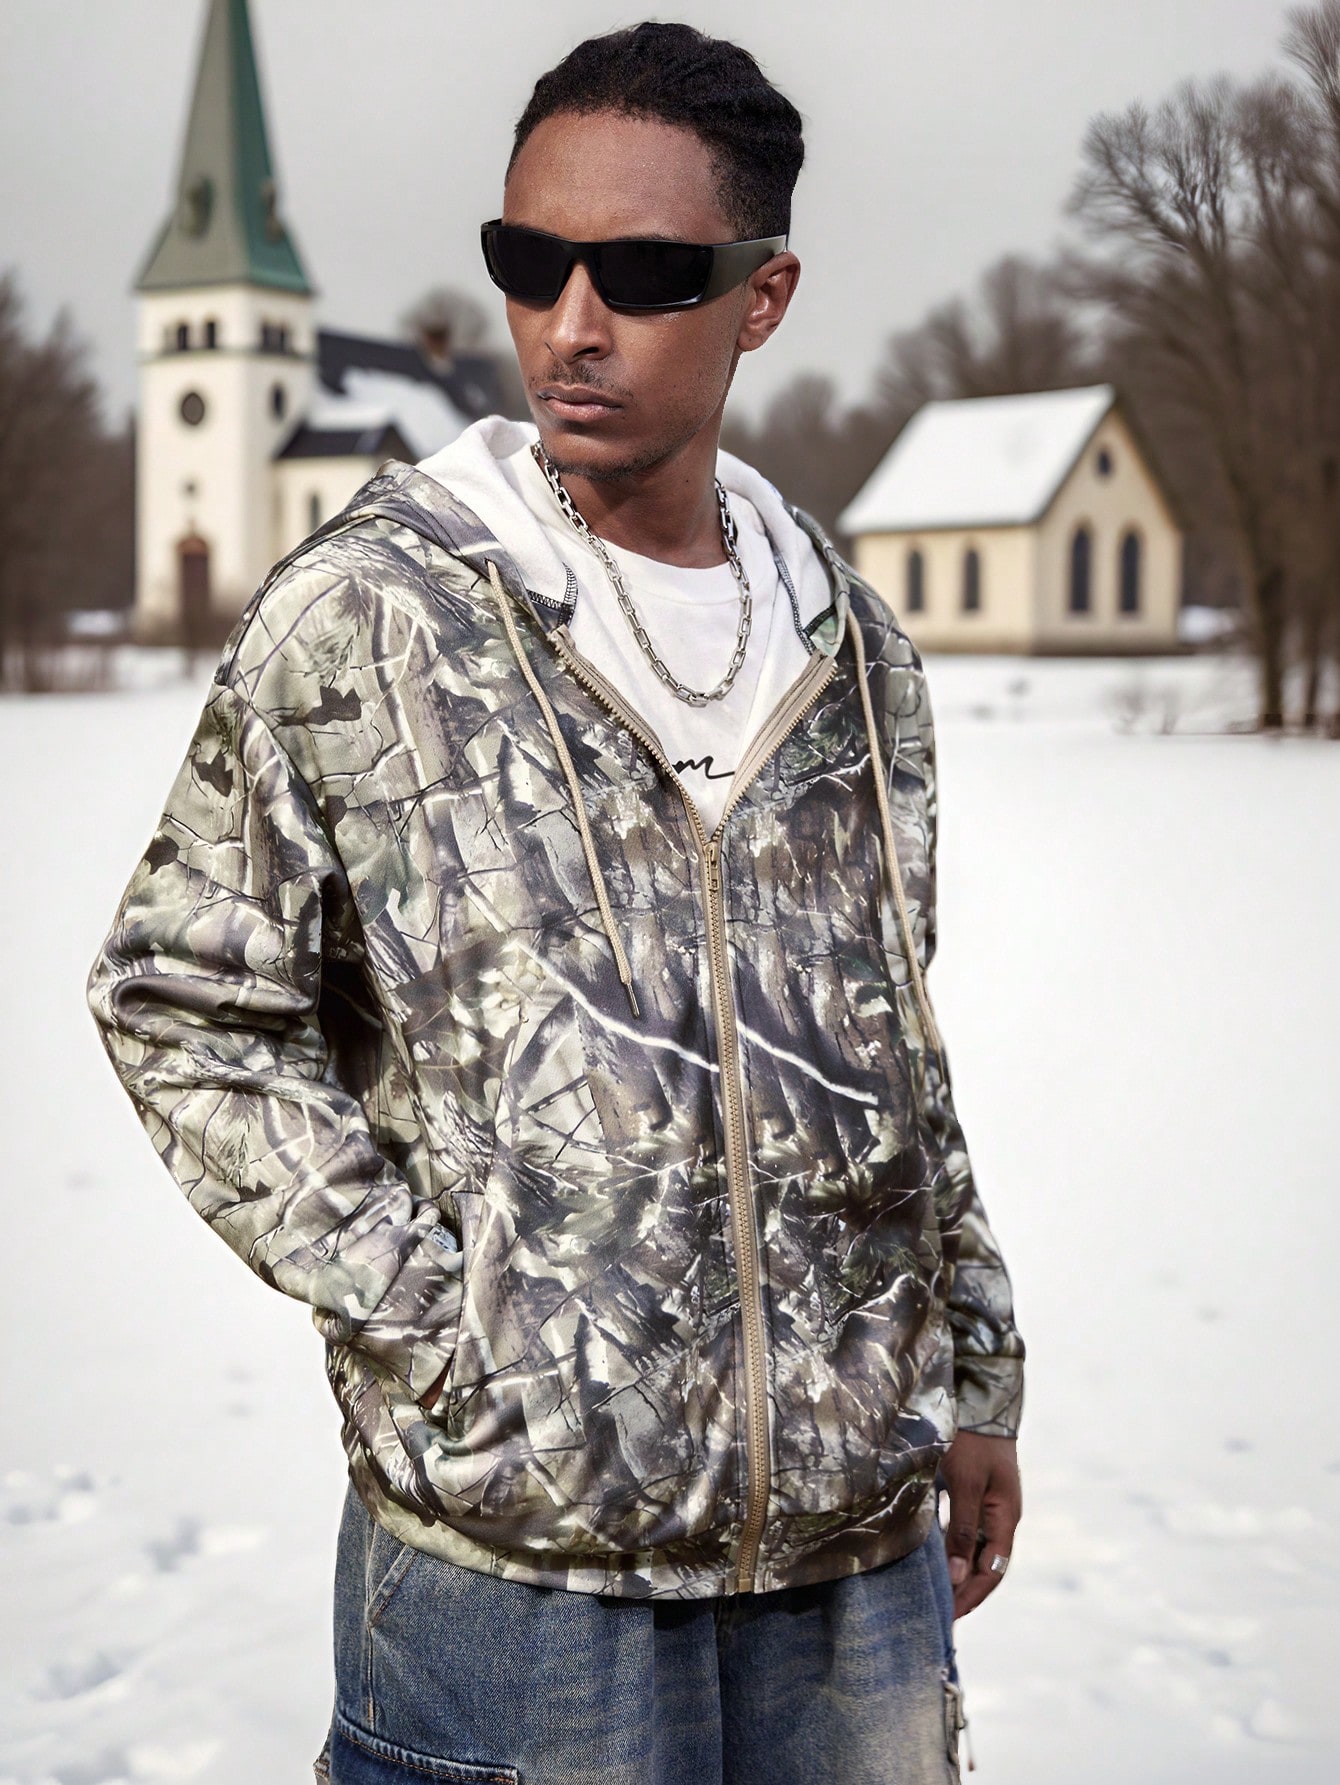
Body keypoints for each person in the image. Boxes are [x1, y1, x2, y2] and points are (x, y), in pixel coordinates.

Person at [87, 22, 1024, 1785]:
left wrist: (972, 1364)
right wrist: (454, 1335)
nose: (570, 323)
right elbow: (179, 999)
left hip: (856, 1574)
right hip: (522, 1593)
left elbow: (892, 1036)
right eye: (532, 260)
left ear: (762, 298)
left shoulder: (854, 654)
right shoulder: (369, 617)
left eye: (646, 274)